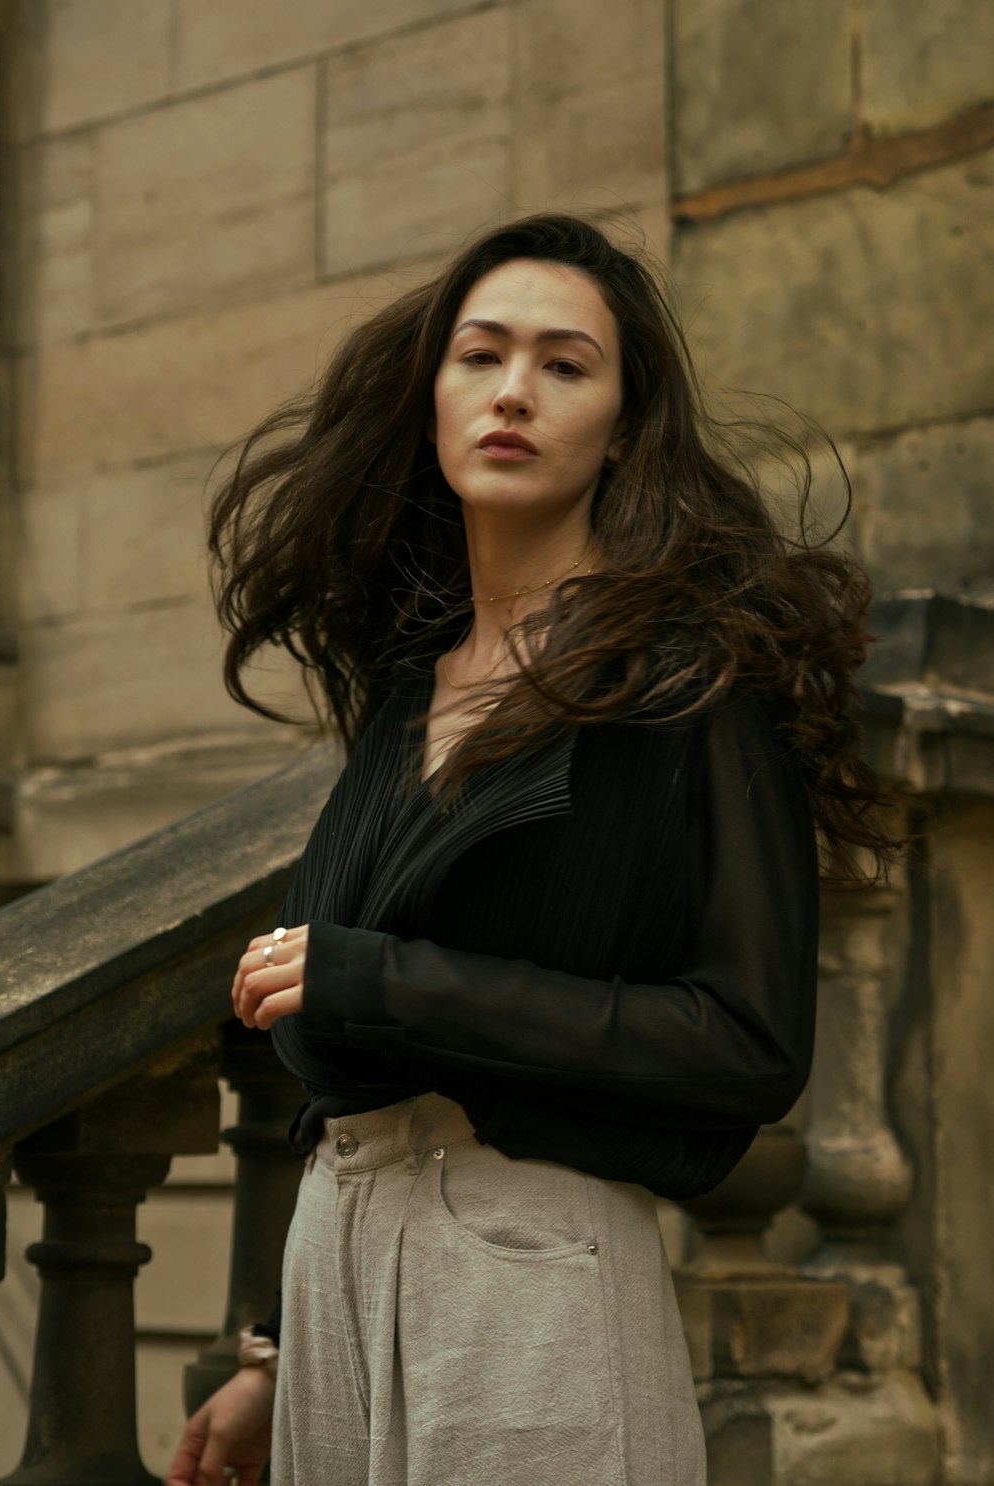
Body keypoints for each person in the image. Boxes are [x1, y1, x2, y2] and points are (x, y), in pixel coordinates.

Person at [167, 213, 897, 1486]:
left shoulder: (691, 680)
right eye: (481, 355)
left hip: (527, 1264)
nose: (514, 392)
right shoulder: (410, 686)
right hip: (337, 1270)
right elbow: (356, 1083)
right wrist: (273, 1356)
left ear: (623, 422)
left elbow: (746, 1038)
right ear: (430, 397)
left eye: (565, 365)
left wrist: (376, 977)